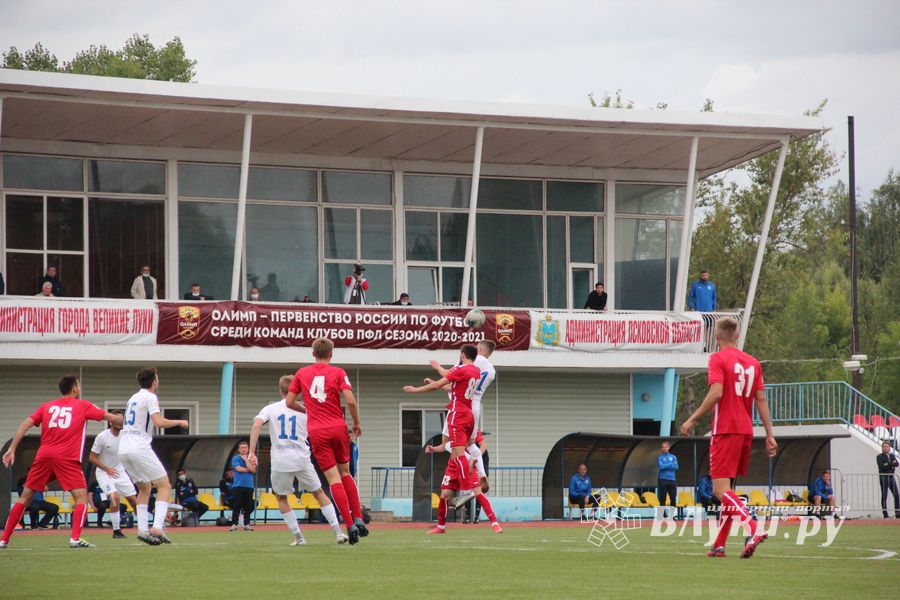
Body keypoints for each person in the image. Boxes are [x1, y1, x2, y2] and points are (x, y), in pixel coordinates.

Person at [680, 316, 776, 559]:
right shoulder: (753, 362)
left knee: (720, 490)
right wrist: (770, 435)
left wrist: (692, 419)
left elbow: (717, 392)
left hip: (725, 429)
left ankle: (753, 527)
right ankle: (719, 545)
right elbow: (761, 399)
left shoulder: (717, 358)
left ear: (716, 337)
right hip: (745, 431)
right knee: (729, 490)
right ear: (737, 335)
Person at [1, 373, 123, 549]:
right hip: (67, 457)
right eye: (78, 385)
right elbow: (111, 418)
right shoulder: (83, 405)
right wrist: (123, 420)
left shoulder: (47, 406)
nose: (79, 388)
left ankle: (3, 539)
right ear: (74, 388)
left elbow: (25, 424)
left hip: (43, 456)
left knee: (25, 497)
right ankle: (75, 538)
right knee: (81, 497)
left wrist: (12, 448)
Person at [248, 375, 350, 545]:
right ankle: (338, 532)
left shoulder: (270, 408)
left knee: (281, 497)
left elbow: (257, 425)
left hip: (280, 460)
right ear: (298, 391)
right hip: (301, 458)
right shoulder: (307, 410)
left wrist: (251, 453)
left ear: (280, 391)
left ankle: (298, 536)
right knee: (319, 493)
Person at [285, 337, 368, 544]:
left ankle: (349, 524)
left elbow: (289, 402)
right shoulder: (338, 372)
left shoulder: (302, 373)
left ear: (313, 353)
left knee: (333, 479)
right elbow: (350, 400)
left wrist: (309, 411)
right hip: (338, 427)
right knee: (346, 472)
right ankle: (358, 517)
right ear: (331, 353)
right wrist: (357, 423)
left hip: (317, 431)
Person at [404, 344, 481, 534]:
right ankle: (441, 525)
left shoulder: (461, 369)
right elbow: (450, 382)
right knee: (454, 455)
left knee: (457, 451)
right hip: (469, 414)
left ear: (462, 355)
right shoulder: (475, 371)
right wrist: (438, 371)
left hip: (458, 413)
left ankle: (466, 485)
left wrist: (415, 390)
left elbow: (439, 384)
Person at [117, 367, 189, 545]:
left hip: (123, 448)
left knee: (144, 488)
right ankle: (157, 527)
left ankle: (142, 530)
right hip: (139, 447)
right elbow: (159, 422)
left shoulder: (133, 397)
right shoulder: (150, 397)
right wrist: (180, 421)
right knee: (164, 485)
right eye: (157, 378)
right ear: (154, 381)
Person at [89, 409, 139, 539]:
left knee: (134, 501)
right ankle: (116, 531)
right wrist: (107, 469)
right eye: (117, 418)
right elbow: (92, 457)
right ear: (110, 421)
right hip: (104, 473)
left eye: (122, 419)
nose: (120, 421)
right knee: (115, 497)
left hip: (120, 472)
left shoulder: (126, 435)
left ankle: (144, 528)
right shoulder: (102, 437)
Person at [229, 441, 256, 532]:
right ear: (239, 449)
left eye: (245, 447)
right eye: (242, 448)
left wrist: (246, 460)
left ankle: (246, 524)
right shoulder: (235, 458)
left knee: (248, 506)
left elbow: (253, 470)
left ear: (248, 449)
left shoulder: (252, 458)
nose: (244, 449)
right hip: (238, 485)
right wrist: (249, 469)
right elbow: (238, 469)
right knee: (236, 505)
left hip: (249, 485)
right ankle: (234, 524)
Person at [876, 441, 900, 518]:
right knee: (884, 496)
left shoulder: (892, 456)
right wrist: (891, 463)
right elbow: (882, 466)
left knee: (897, 495)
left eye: (887, 447)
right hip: (884, 477)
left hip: (891, 477)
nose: (885, 448)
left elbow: (897, 464)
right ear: (882, 448)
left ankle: (897, 513)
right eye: (884, 447)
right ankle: (885, 514)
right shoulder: (879, 457)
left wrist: (888, 464)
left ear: (889, 448)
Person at [657, 441, 679, 517]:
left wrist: (666, 465)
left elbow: (676, 467)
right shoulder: (660, 457)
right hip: (662, 479)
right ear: (662, 448)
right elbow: (661, 467)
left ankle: (672, 515)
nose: (664, 448)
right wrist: (670, 464)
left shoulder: (673, 457)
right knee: (662, 498)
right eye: (663, 447)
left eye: (666, 447)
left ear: (668, 448)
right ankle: (662, 514)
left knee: (673, 498)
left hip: (672, 480)